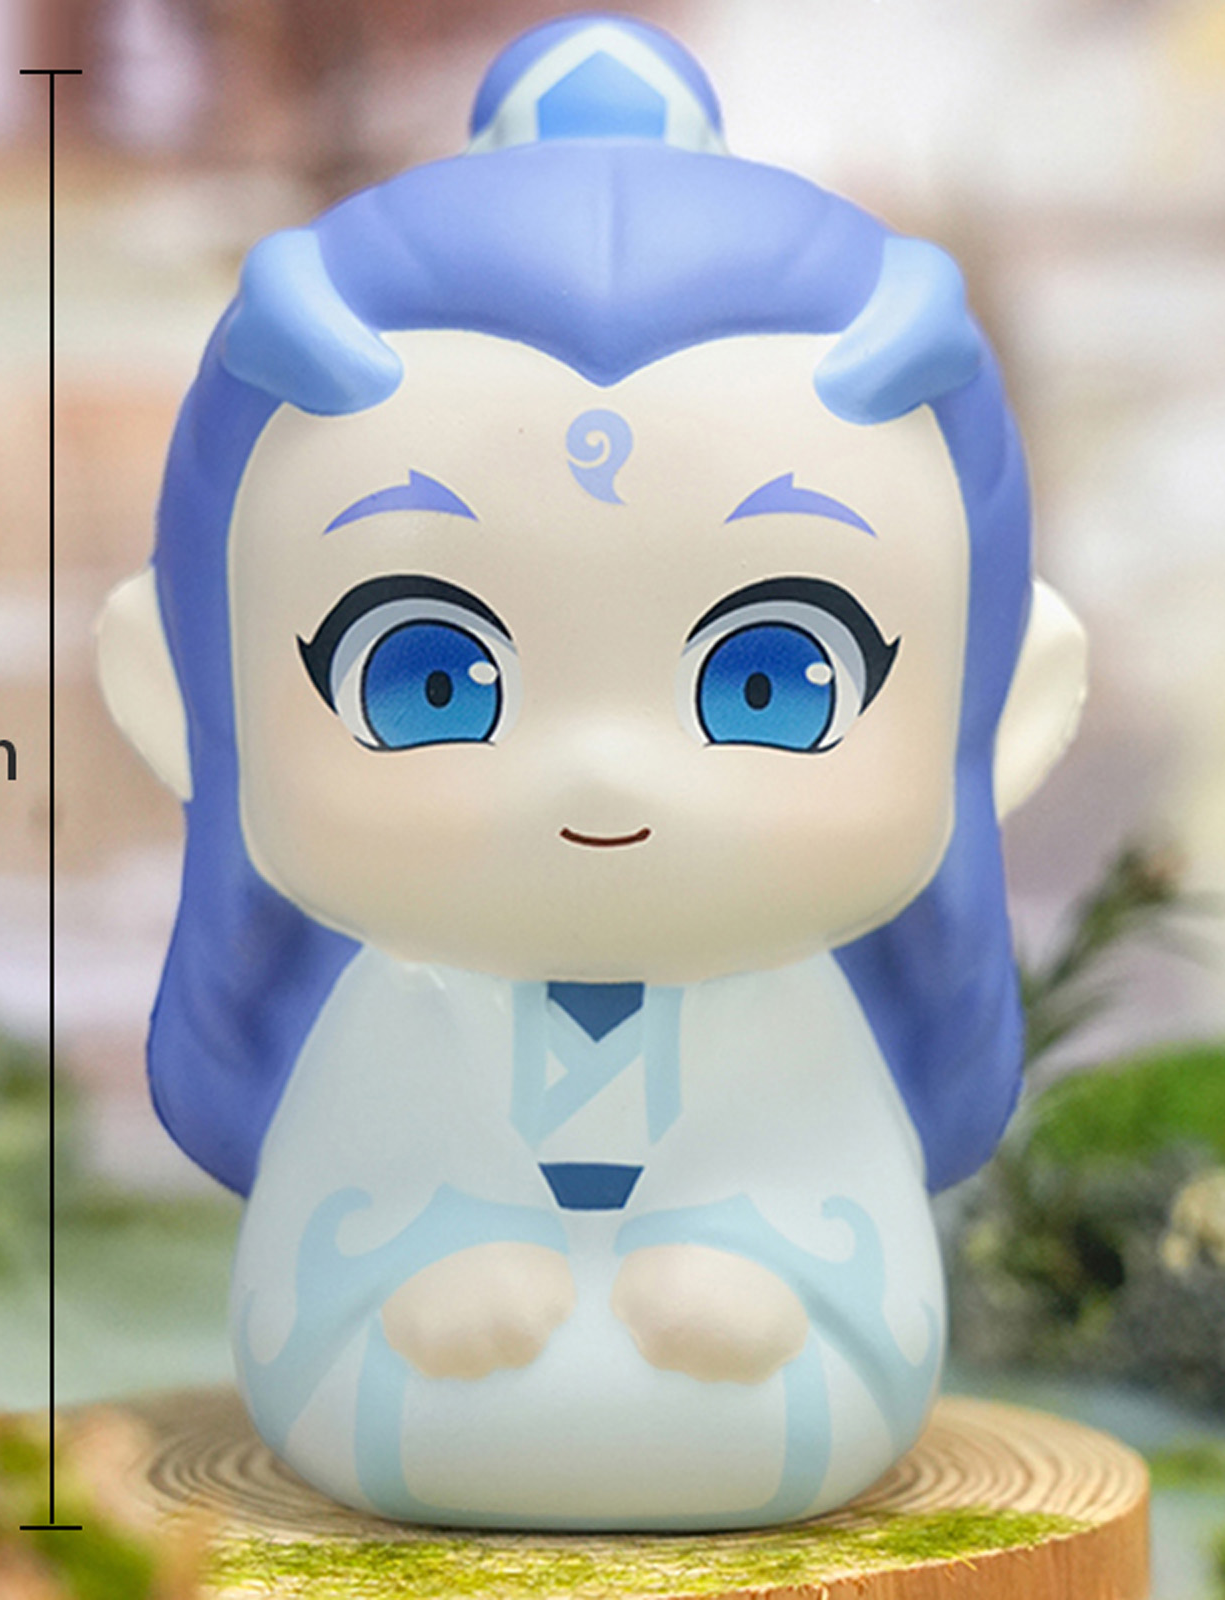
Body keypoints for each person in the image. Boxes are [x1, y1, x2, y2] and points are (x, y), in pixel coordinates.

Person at [97, 14, 1088, 1529]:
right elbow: (340, 1207)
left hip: (787, 1383)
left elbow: (847, 1219)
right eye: (426, 679)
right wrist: (430, 1268)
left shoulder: (801, 1015)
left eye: (773, 682)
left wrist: (758, 1274)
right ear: (179, 695)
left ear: (1007, 711)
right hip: (387, 1382)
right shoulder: (397, 1003)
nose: (606, 780)